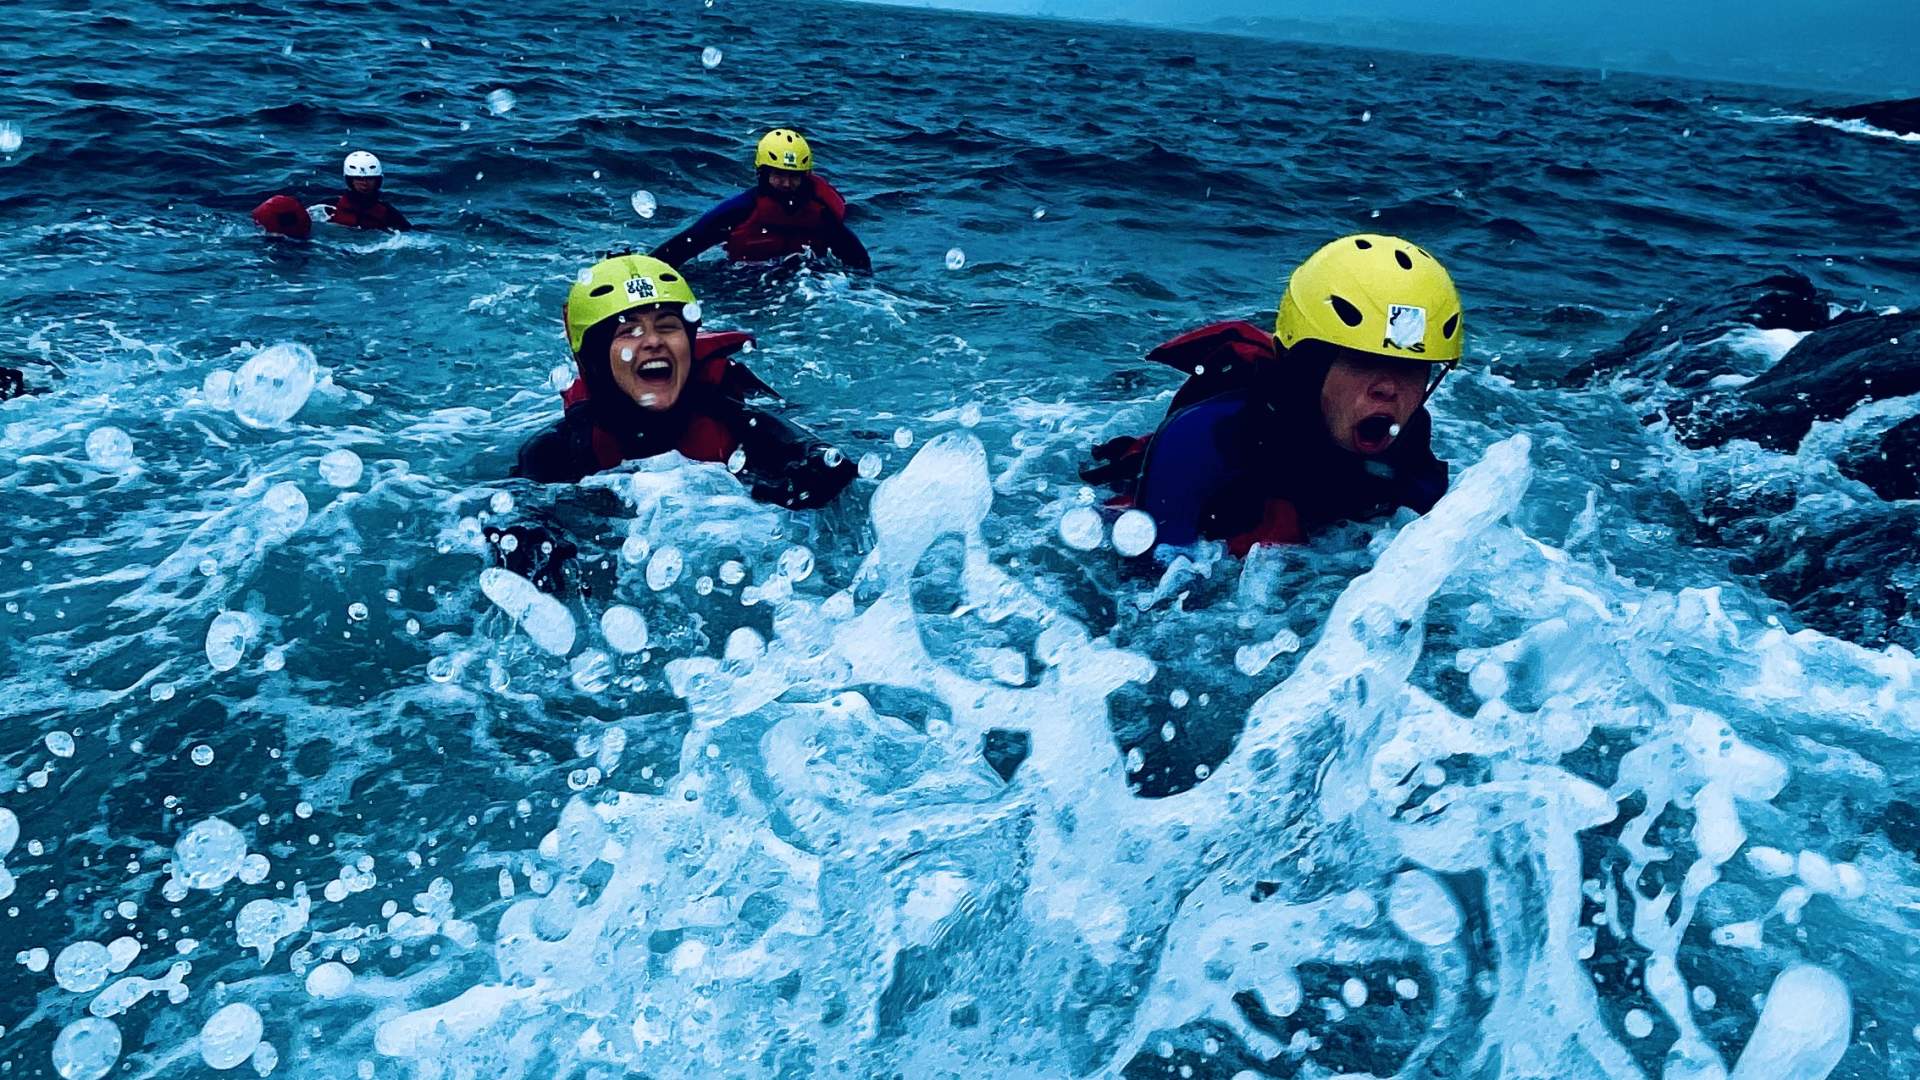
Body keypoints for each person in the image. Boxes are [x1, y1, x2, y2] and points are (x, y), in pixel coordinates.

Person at [1083, 234, 1462, 555]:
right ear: (1308, 365)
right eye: (1363, 361)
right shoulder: (1205, 440)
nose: (1389, 388)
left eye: (1412, 367)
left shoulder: (1409, 451)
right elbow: (1148, 599)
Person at [514, 252, 856, 510]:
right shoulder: (557, 450)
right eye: (628, 331)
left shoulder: (734, 420)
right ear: (595, 359)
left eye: (668, 326)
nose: (652, 341)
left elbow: (822, 457)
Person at [651, 129, 870, 271]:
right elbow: (686, 245)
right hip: (743, 278)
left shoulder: (821, 215)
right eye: (779, 175)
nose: (786, 184)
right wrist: (650, 269)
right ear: (762, 174)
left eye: (794, 177)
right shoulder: (740, 210)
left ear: (806, 176)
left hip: (806, 284)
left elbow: (857, 260)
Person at [317, 151, 412, 231]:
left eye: (370, 179)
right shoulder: (328, 206)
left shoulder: (387, 212)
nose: (364, 183)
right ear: (350, 181)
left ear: (377, 181)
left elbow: (408, 233)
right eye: (358, 179)